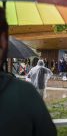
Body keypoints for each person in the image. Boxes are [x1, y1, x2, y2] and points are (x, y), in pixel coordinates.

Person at [0, 7, 57, 135]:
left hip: (35, 85)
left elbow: (28, 75)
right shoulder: (24, 94)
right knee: (40, 99)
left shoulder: (34, 70)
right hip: (39, 87)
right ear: (3, 41)